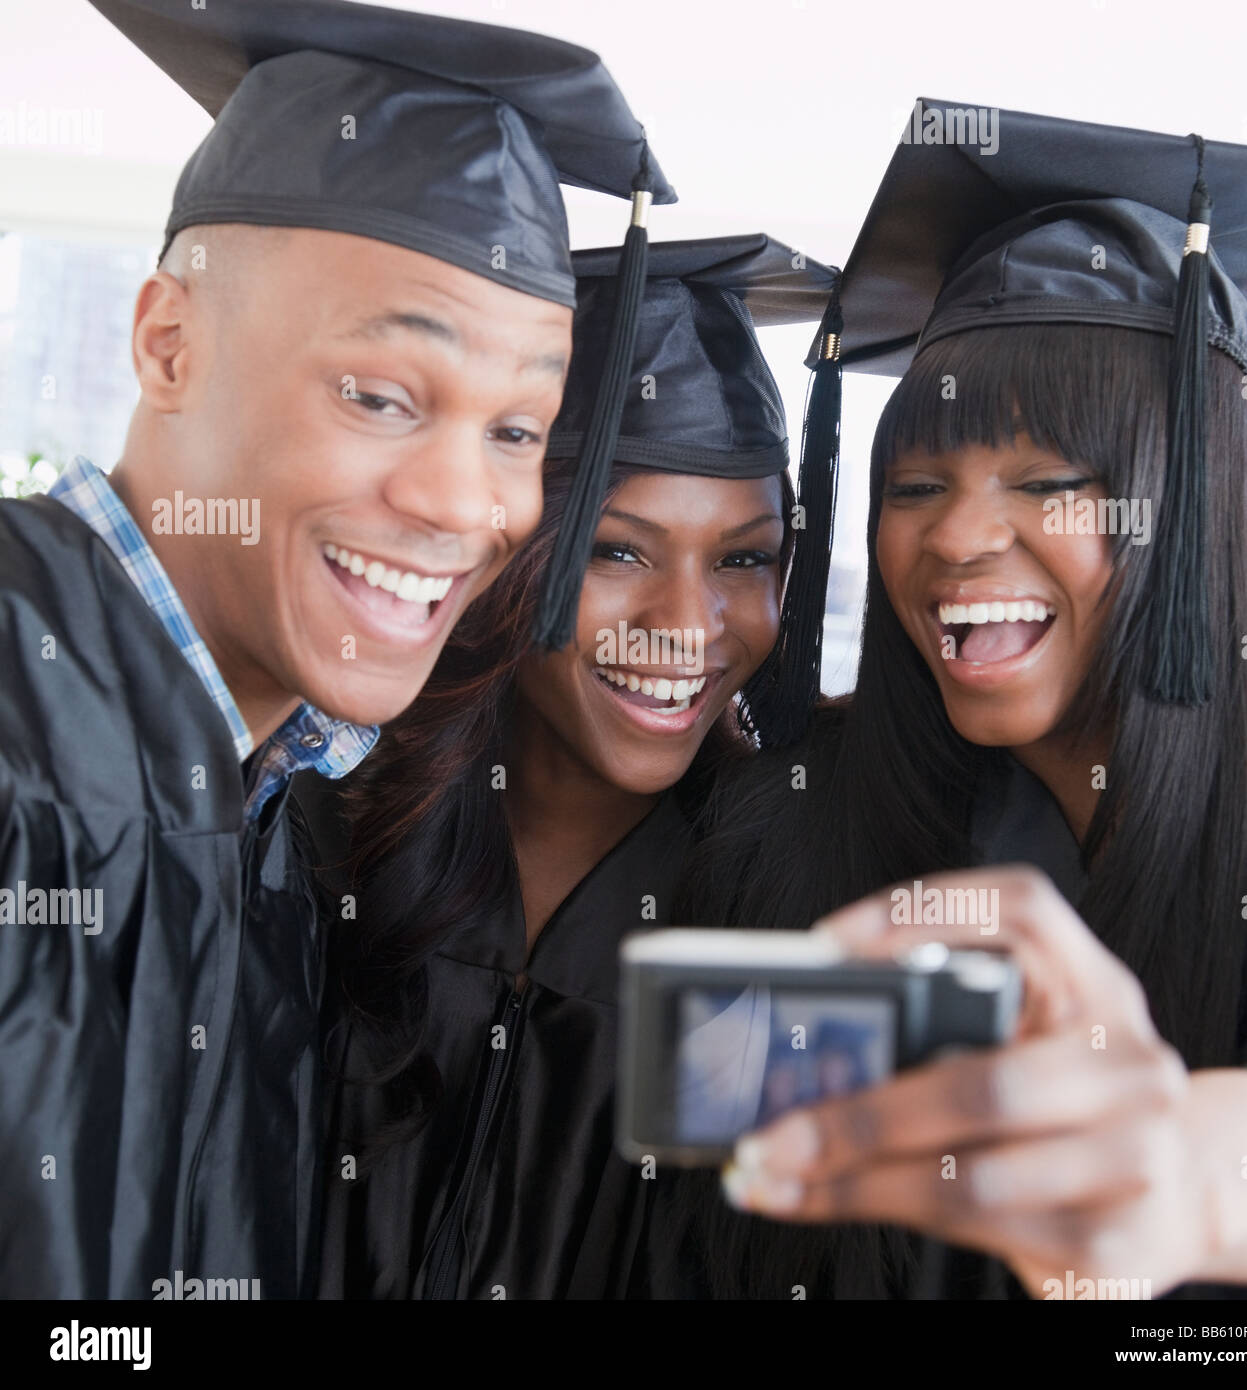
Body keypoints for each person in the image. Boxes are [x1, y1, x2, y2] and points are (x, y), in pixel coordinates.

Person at [0, 0, 667, 1298]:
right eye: (381, 396)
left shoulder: (277, 816)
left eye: (519, 431)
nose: (465, 503)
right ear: (167, 343)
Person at [682, 102, 1247, 1298]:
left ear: (1198, 512)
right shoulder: (802, 823)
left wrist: (1182, 1173)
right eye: (916, 482)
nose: (957, 536)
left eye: (1047, 480)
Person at [308, 234, 843, 1299]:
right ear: (515, 548)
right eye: (619, 549)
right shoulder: (316, 834)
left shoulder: (783, 912)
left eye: (745, 558)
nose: (687, 626)